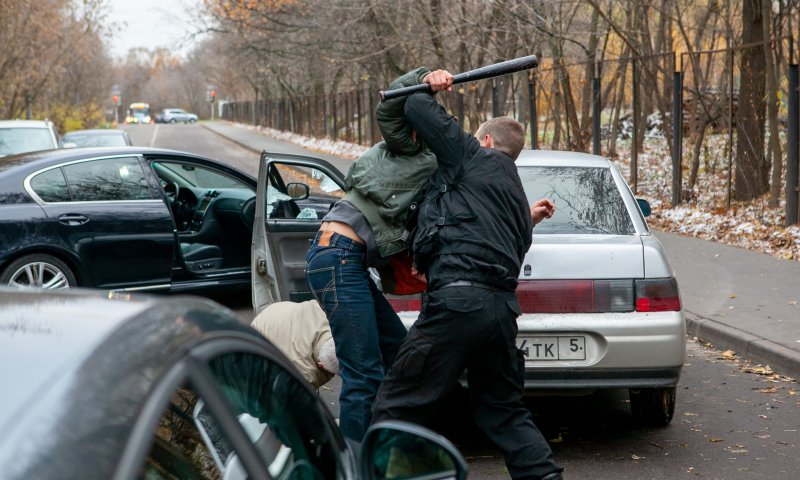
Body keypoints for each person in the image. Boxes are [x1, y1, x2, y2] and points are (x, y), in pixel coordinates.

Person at [371, 70, 564, 480]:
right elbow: (501, 236)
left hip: (457, 305)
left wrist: (431, 81)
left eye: (476, 137)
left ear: (487, 141)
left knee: (396, 407)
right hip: (499, 313)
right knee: (504, 411)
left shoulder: (471, 156)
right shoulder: (513, 194)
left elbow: (415, 105)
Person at [305, 68, 454, 441]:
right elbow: (389, 107)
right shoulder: (406, 146)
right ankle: (355, 465)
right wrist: (424, 76)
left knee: (397, 353)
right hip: (336, 254)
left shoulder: (438, 164)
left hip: (346, 260)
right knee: (363, 372)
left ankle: (385, 446)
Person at [250, 300, 339, 389]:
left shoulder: (331, 318)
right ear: (320, 365)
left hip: (276, 311)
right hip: (256, 348)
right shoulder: (303, 373)